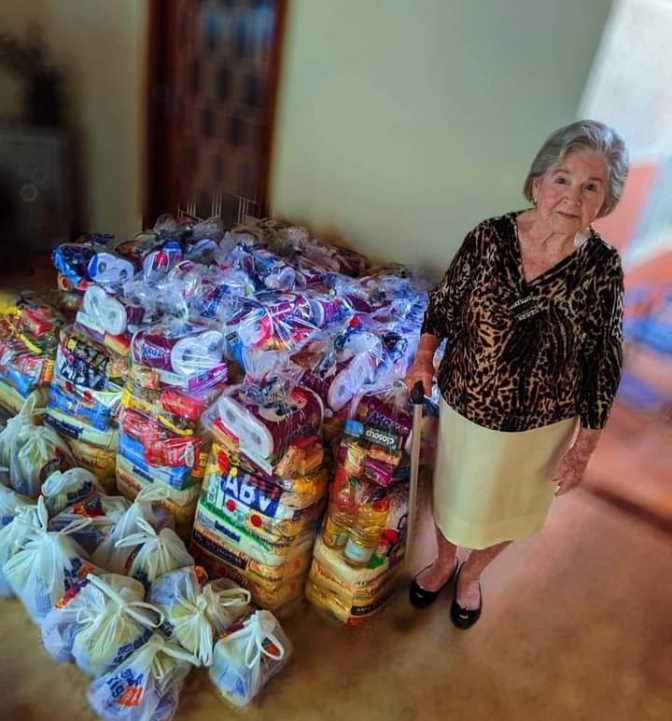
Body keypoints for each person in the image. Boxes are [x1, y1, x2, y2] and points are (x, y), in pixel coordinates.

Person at [405, 120, 628, 629]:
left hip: (542, 423)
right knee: (453, 494)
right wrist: (423, 358)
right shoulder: (488, 237)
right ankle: (443, 561)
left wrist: (584, 449)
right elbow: (445, 303)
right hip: (467, 403)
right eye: (562, 179)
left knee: (512, 507)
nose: (572, 197)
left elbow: (603, 360)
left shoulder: (603, 268)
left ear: (604, 203)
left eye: (591, 187)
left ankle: (472, 575)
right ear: (536, 184)